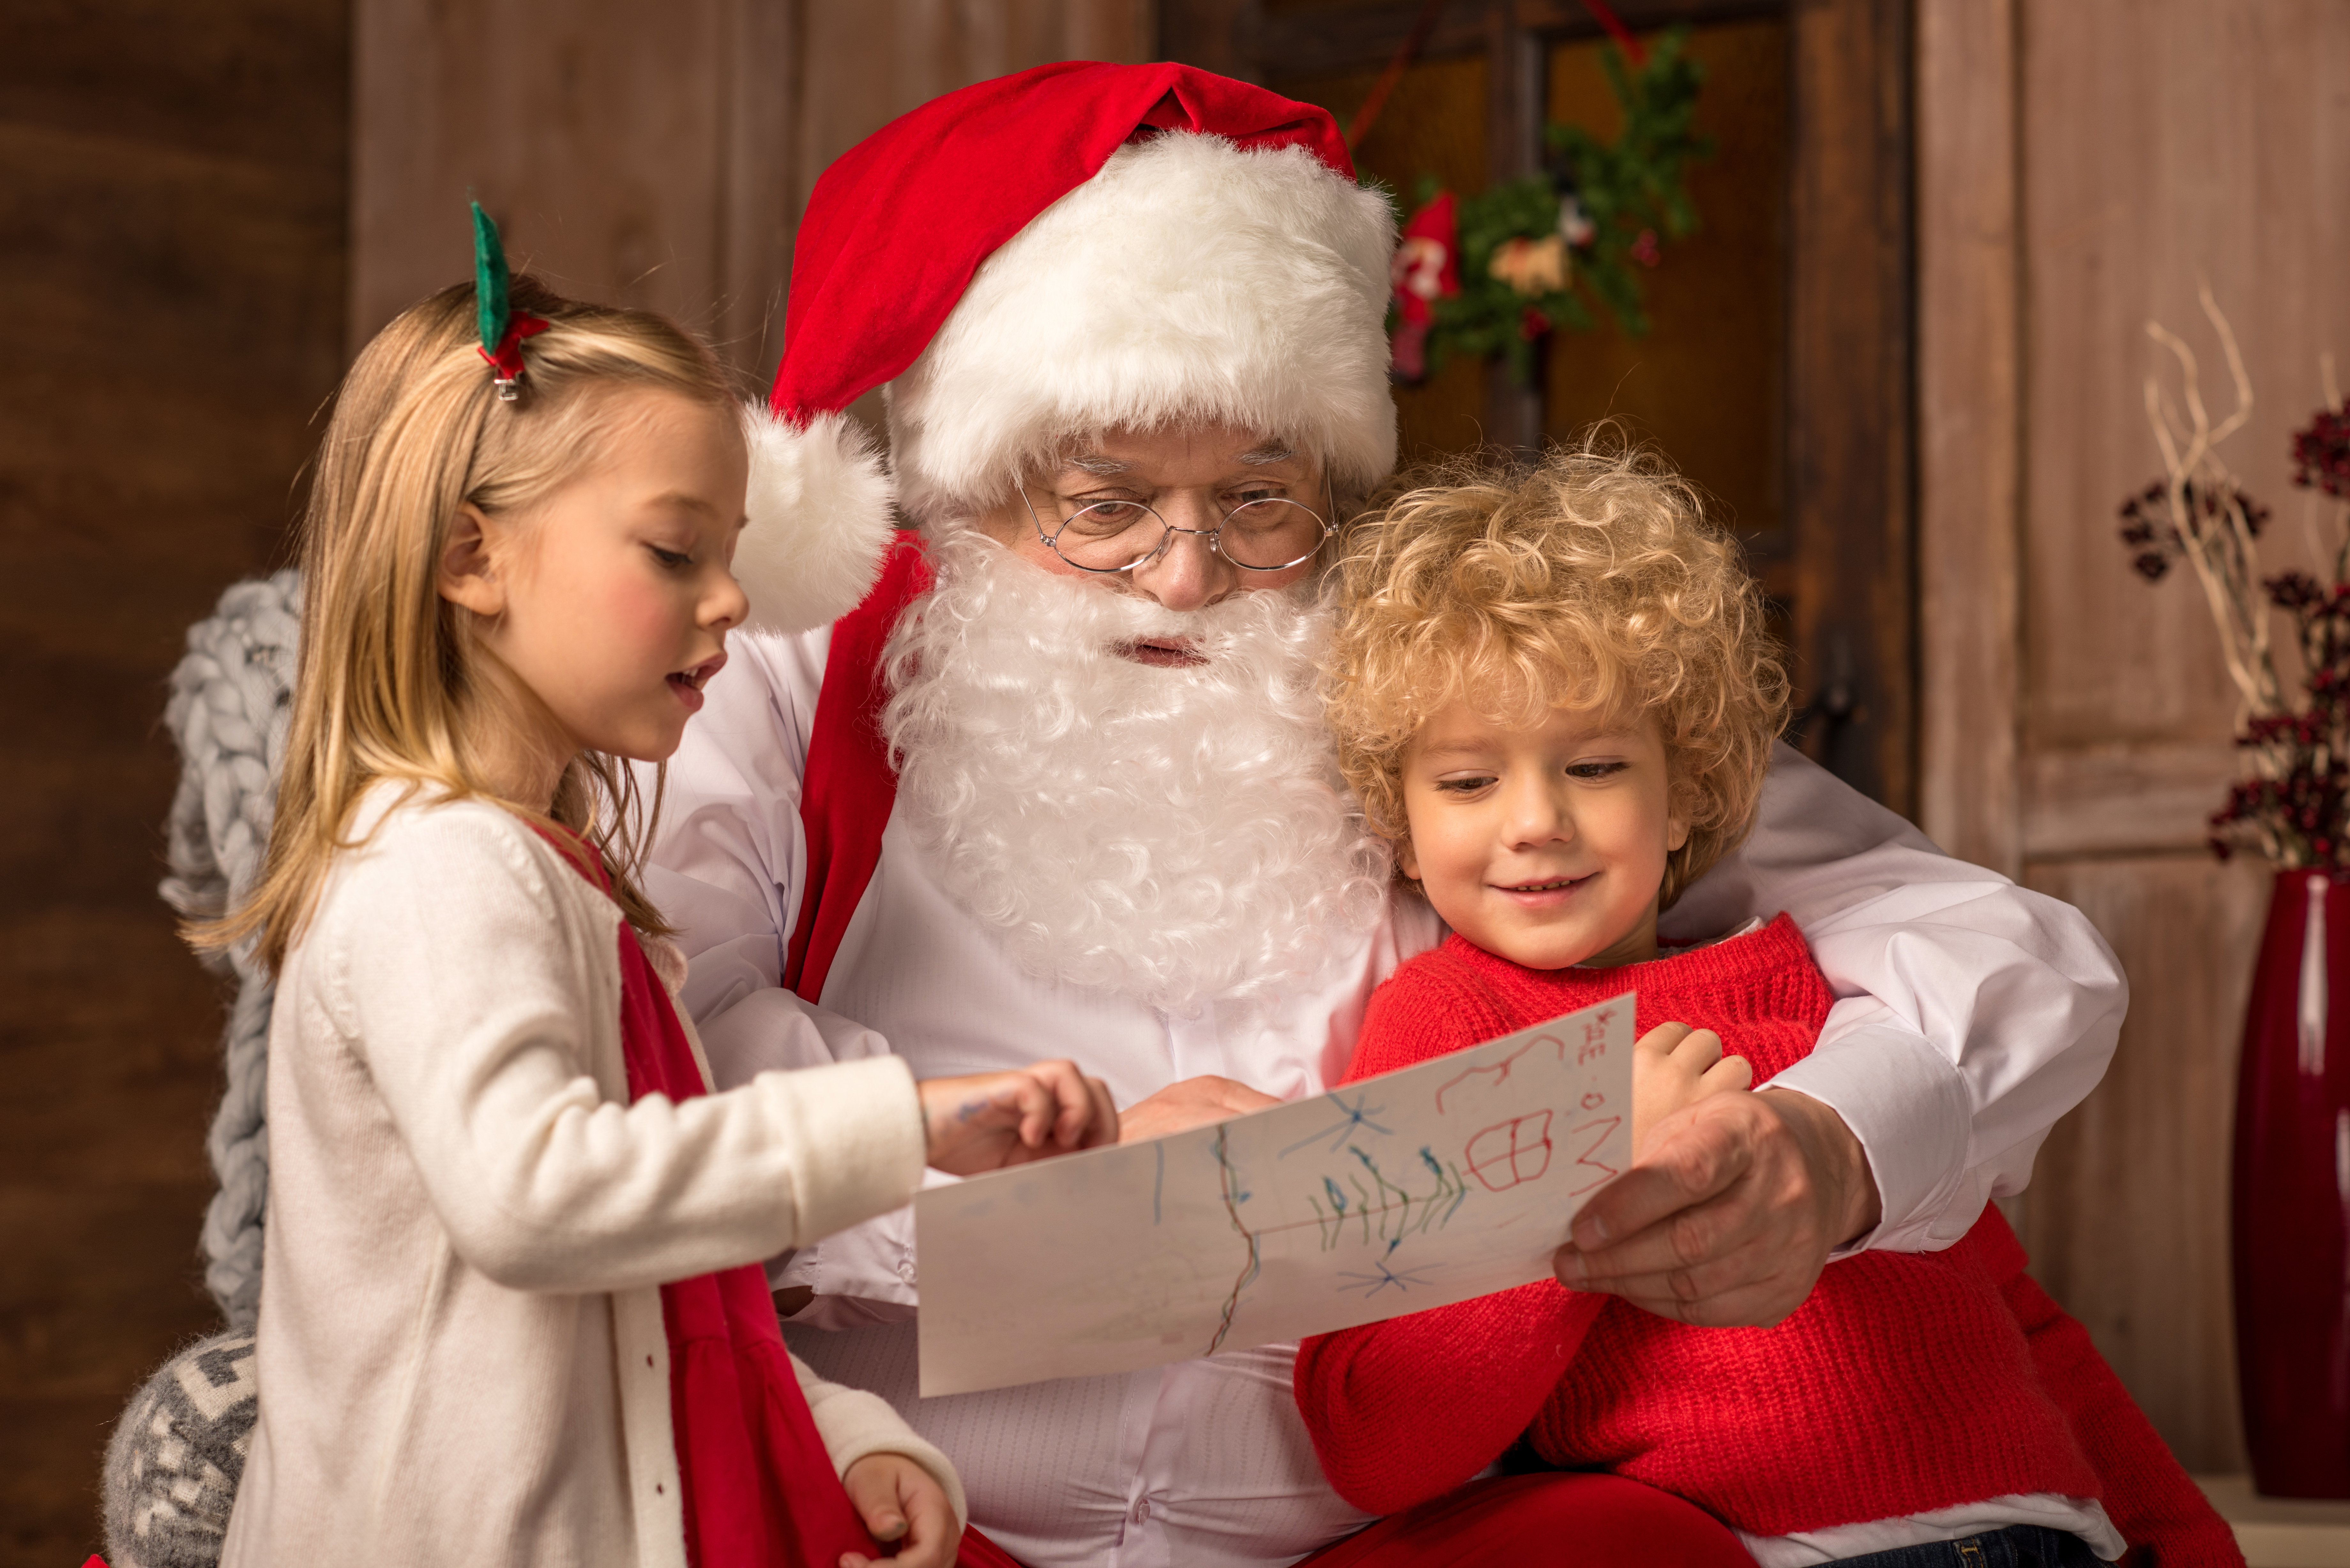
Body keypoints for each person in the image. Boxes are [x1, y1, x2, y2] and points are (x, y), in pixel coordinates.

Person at [651, 61, 2131, 1568]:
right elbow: (661, 1042)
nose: (1186, 575)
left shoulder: (1445, 678)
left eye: (1257, 498)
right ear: (973, 482)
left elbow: (1996, 940)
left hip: (1381, 1530)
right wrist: (999, 1166)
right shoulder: (796, 664)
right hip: (910, 1504)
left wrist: (1835, 1145)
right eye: (1103, 506)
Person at [203, 267, 1116, 1567]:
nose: (734, 599)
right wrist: (896, 1121)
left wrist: (840, 1433)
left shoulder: (556, 883)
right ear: (473, 555)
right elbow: (537, 1199)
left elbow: (644, 1295)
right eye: (675, 550)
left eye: (731, 555)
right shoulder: (441, 873)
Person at [1292, 450, 2241, 1568]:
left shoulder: (1812, 983)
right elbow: (1373, 1437)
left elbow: (2014, 1310)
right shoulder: (1443, 1025)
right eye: (1466, 782)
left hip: (2054, 1537)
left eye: (1594, 766)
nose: (1535, 820)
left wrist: (2188, 1542)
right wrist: (1582, 1168)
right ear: (1394, 818)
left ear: (1688, 785)